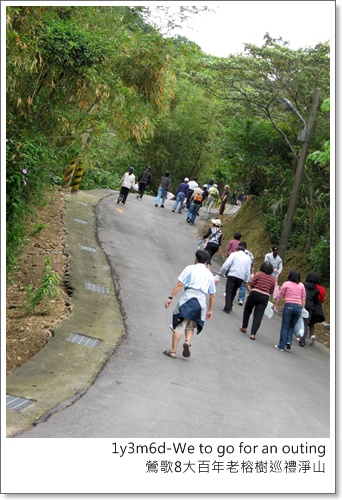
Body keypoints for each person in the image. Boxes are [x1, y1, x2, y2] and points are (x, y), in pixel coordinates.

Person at [163, 249, 216, 359]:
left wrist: (170, 297)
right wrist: (210, 310)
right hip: (200, 303)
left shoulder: (190, 268)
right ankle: (187, 341)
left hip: (188, 299)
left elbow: (180, 284)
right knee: (191, 325)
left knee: (179, 325)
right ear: (206, 261)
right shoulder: (210, 275)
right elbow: (212, 295)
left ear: (196, 258)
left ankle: (173, 351)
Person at [239, 261, 275, 340]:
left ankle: (244, 326)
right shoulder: (272, 279)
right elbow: (272, 290)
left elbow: (251, 283)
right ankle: (253, 334)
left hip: (254, 294)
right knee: (258, 316)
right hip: (264, 297)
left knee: (247, 310)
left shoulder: (258, 274)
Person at [274, 270, 306, 351]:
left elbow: (280, 295)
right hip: (298, 307)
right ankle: (288, 341)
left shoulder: (286, 284)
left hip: (289, 306)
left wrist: (276, 305)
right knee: (291, 326)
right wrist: (302, 308)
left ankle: (281, 346)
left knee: (285, 326)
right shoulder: (301, 285)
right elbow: (303, 297)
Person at [218, 241, 251, 313]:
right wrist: (246, 280)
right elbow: (248, 270)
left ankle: (227, 306)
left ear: (237, 249)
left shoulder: (234, 254)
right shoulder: (247, 258)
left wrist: (221, 272)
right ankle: (230, 305)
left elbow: (227, 264)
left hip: (232, 274)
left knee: (229, 290)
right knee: (234, 291)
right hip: (241, 277)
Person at [299, 272, 325, 347]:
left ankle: (297, 333)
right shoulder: (318, 289)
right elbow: (320, 300)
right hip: (312, 307)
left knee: (299, 320)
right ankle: (307, 337)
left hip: (302, 304)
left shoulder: (303, 285)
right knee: (308, 323)